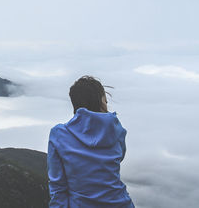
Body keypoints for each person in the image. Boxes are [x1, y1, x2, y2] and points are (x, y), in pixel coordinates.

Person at [48, 75, 135, 207]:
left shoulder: (59, 135)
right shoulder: (117, 130)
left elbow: (58, 187)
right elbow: (119, 157)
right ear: (101, 102)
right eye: (106, 101)